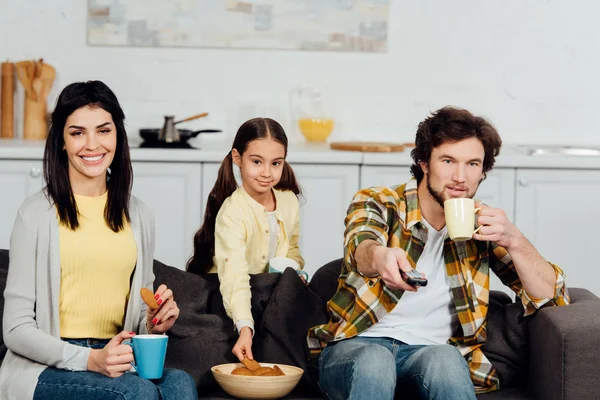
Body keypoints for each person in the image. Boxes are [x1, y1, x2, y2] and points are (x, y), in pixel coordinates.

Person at [308, 106, 570, 400]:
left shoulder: (481, 223)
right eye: (448, 161)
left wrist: (514, 240)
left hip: (431, 351)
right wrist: (380, 257)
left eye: (472, 164)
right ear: (424, 163)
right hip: (357, 346)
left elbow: (553, 298)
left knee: (446, 360)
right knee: (375, 361)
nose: (460, 177)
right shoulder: (379, 201)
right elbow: (362, 245)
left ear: (483, 171)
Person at [0, 81, 198, 400]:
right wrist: (90, 360)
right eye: (77, 132)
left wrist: (154, 323)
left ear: (117, 135)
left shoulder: (139, 215)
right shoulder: (36, 213)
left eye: (103, 130)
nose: (92, 145)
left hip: (117, 356)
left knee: (180, 385)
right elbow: (15, 330)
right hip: (45, 366)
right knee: (135, 393)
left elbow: (136, 323)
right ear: (62, 141)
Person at [187, 117, 305, 362]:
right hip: (233, 297)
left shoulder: (288, 201)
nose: (266, 173)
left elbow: (292, 248)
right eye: (256, 161)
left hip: (270, 293)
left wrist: (295, 273)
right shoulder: (232, 212)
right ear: (237, 158)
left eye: (276, 163)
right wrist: (245, 328)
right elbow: (235, 277)